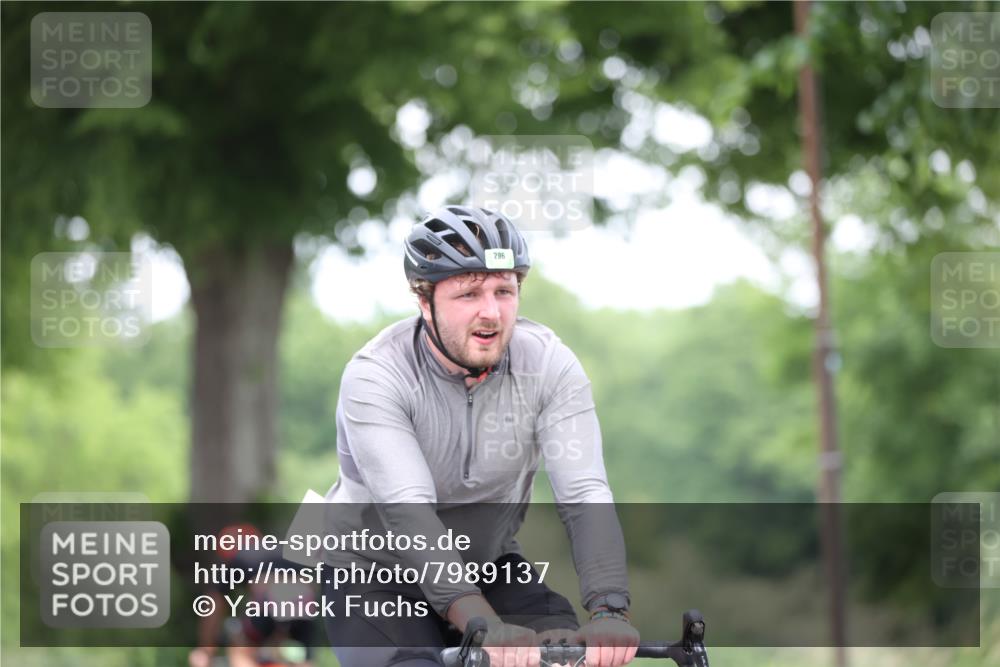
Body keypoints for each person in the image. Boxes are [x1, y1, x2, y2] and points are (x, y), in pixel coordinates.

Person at [323, 206, 639, 667]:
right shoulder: (377, 375)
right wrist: (482, 622)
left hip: (488, 565)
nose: (491, 312)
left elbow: (584, 492)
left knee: (565, 658)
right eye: (469, 293)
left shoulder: (548, 365)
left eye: (503, 291)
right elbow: (408, 511)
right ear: (424, 300)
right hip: (372, 571)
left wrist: (610, 608)